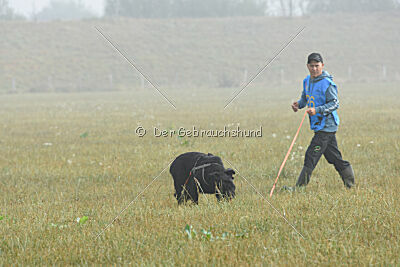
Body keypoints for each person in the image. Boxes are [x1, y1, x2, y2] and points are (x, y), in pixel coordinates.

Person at [290, 52, 355, 189]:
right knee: (334, 158)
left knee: (311, 155)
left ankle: (298, 188)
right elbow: (305, 98)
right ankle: (350, 185)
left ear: (322, 65)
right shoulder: (307, 81)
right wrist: (298, 105)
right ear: (307, 66)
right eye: (311, 66)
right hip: (318, 125)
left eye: (317, 66)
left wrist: (317, 110)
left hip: (327, 125)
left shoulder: (327, 83)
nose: (314, 69)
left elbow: (335, 103)